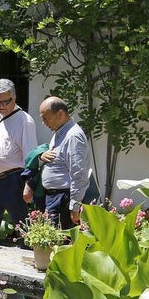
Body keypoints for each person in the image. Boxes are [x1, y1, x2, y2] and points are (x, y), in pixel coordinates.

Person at [0, 79, 36, 243]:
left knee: (22, 225)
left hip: (13, 179)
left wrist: (29, 184)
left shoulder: (24, 121)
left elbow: (31, 155)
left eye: (6, 101)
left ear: (14, 98)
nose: (2, 106)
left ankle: (28, 251)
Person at [24, 97, 90, 231]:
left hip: (63, 198)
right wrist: (42, 156)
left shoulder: (73, 136)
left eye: (46, 118)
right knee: (54, 238)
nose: (43, 123)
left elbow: (79, 174)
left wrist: (74, 206)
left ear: (60, 114)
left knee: (60, 239)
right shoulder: (60, 132)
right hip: (55, 197)